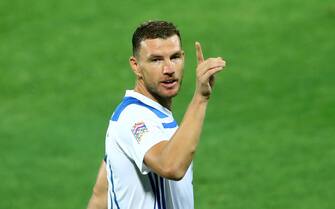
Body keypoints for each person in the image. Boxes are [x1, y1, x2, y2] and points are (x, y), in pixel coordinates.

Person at [87, 20, 226, 209]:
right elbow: (171, 166)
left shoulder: (154, 117)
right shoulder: (133, 117)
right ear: (136, 66)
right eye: (156, 60)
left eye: (175, 57)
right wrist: (200, 98)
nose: (169, 69)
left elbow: (100, 193)